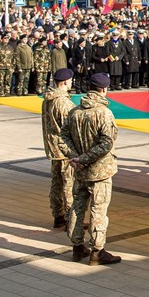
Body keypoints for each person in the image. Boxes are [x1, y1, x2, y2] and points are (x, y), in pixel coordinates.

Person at [63, 72, 122, 265]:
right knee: (99, 210)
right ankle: (98, 250)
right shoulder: (104, 113)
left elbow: (62, 137)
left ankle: (77, 246)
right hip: (99, 170)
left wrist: (75, 157)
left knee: (77, 207)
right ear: (104, 89)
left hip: (80, 170)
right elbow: (106, 143)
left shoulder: (75, 111)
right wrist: (85, 158)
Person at [42, 68, 76, 229]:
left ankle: (58, 214)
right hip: (64, 149)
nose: (71, 83)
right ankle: (71, 217)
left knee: (56, 182)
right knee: (68, 184)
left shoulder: (48, 98)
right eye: (70, 80)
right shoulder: (63, 102)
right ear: (64, 82)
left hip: (53, 147)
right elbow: (68, 127)